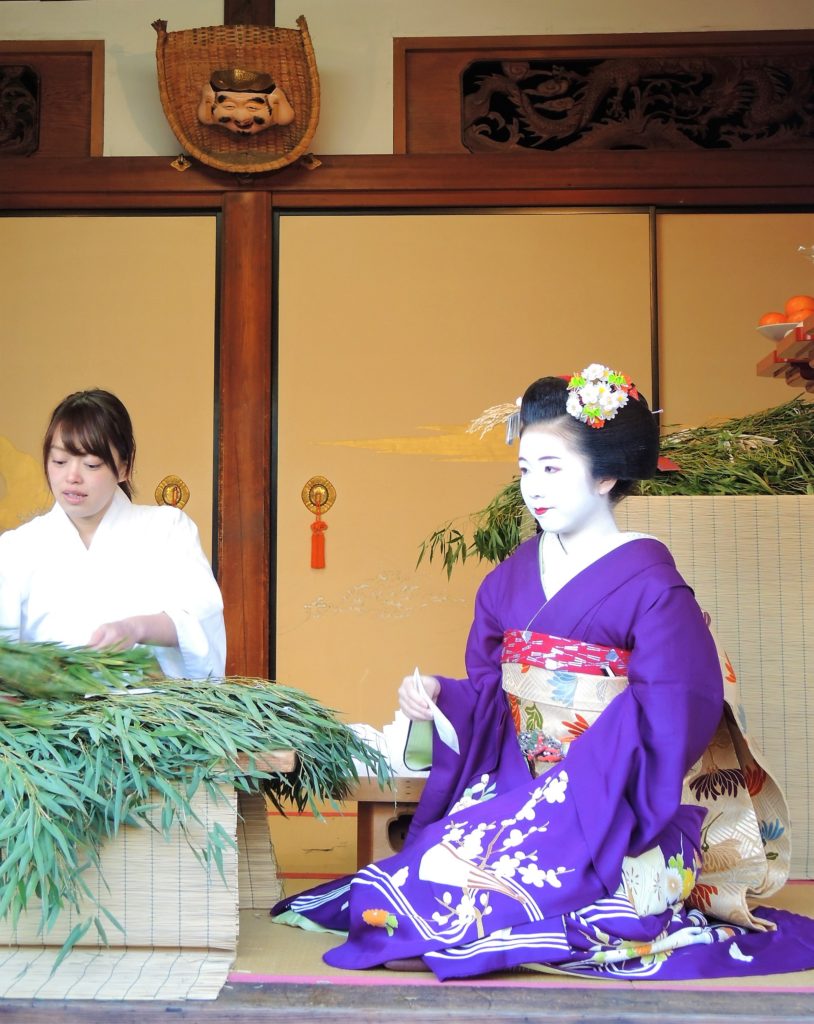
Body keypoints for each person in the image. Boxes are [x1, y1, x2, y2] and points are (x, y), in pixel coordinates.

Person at [272, 364, 814, 980]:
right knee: (407, 892)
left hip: (614, 805)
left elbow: (673, 711)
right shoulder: (509, 579)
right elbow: (492, 696)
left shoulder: (654, 586)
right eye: (525, 470)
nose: (534, 488)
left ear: (605, 475)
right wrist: (440, 697)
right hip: (517, 788)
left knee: (543, 906)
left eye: (553, 469)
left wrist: (581, 784)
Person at [0, 389, 226, 679]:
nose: (72, 477)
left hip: (149, 704)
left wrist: (135, 629)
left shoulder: (167, 529)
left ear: (124, 468)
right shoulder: (16, 548)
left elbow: (200, 618)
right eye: (59, 461)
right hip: (53, 706)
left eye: (91, 464)